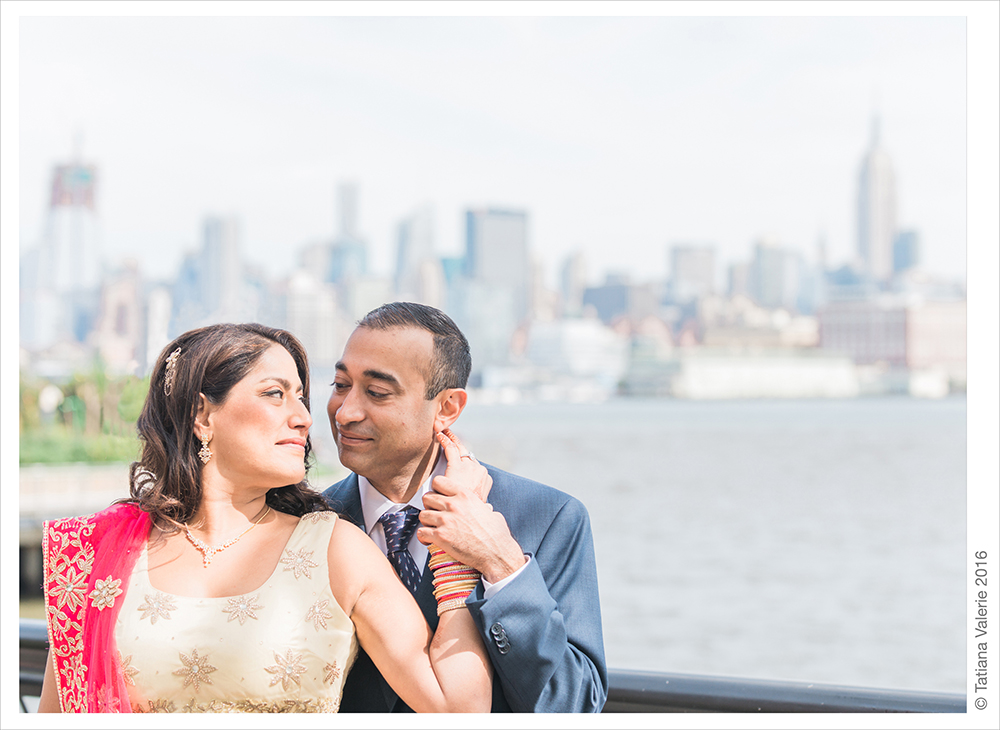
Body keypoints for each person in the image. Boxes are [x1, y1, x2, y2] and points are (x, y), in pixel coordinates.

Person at [38, 323, 492, 713]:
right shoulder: (98, 555)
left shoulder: (335, 549)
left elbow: (458, 706)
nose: (304, 419)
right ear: (202, 414)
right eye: (275, 394)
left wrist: (453, 554)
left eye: (301, 397)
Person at [323, 302, 608, 713]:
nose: (345, 412)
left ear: (447, 408)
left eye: (377, 393)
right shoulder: (306, 521)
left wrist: (504, 566)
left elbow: (574, 705)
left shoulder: (548, 517)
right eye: (339, 384)